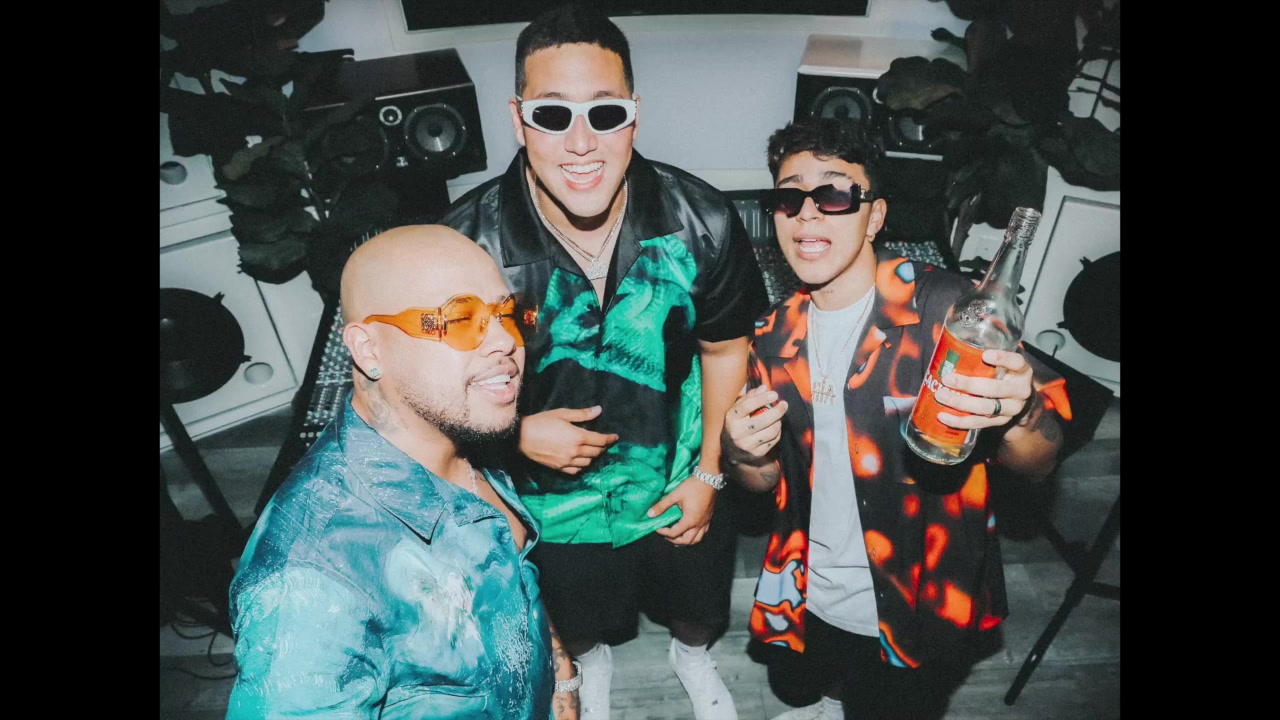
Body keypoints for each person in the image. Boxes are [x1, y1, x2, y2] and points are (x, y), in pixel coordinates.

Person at [440, 4, 770, 719]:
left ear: (634, 116)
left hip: (676, 471)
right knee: (577, 614)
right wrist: (515, 435)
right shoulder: (462, 247)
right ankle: (589, 666)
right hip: (547, 504)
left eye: (605, 112)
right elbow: (435, 396)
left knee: (698, 604)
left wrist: (710, 472)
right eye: (552, 114)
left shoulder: (705, 220)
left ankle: (692, 657)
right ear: (519, 119)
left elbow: (724, 349)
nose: (581, 142)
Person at [721, 118, 1070, 720]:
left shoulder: (950, 311)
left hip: (917, 595)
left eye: (834, 193)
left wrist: (1018, 413)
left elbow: (1041, 461)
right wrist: (740, 452)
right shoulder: (773, 336)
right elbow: (762, 484)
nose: (807, 213)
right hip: (808, 590)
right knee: (802, 686)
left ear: (875, 215)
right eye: (789, 196)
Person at [224, 225, 582, 720]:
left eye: (505, 313)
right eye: (460, 318)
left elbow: (512, 578)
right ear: (369, 350)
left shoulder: (470, 428)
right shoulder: (312, 578)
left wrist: (562, 677)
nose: (507, 341)